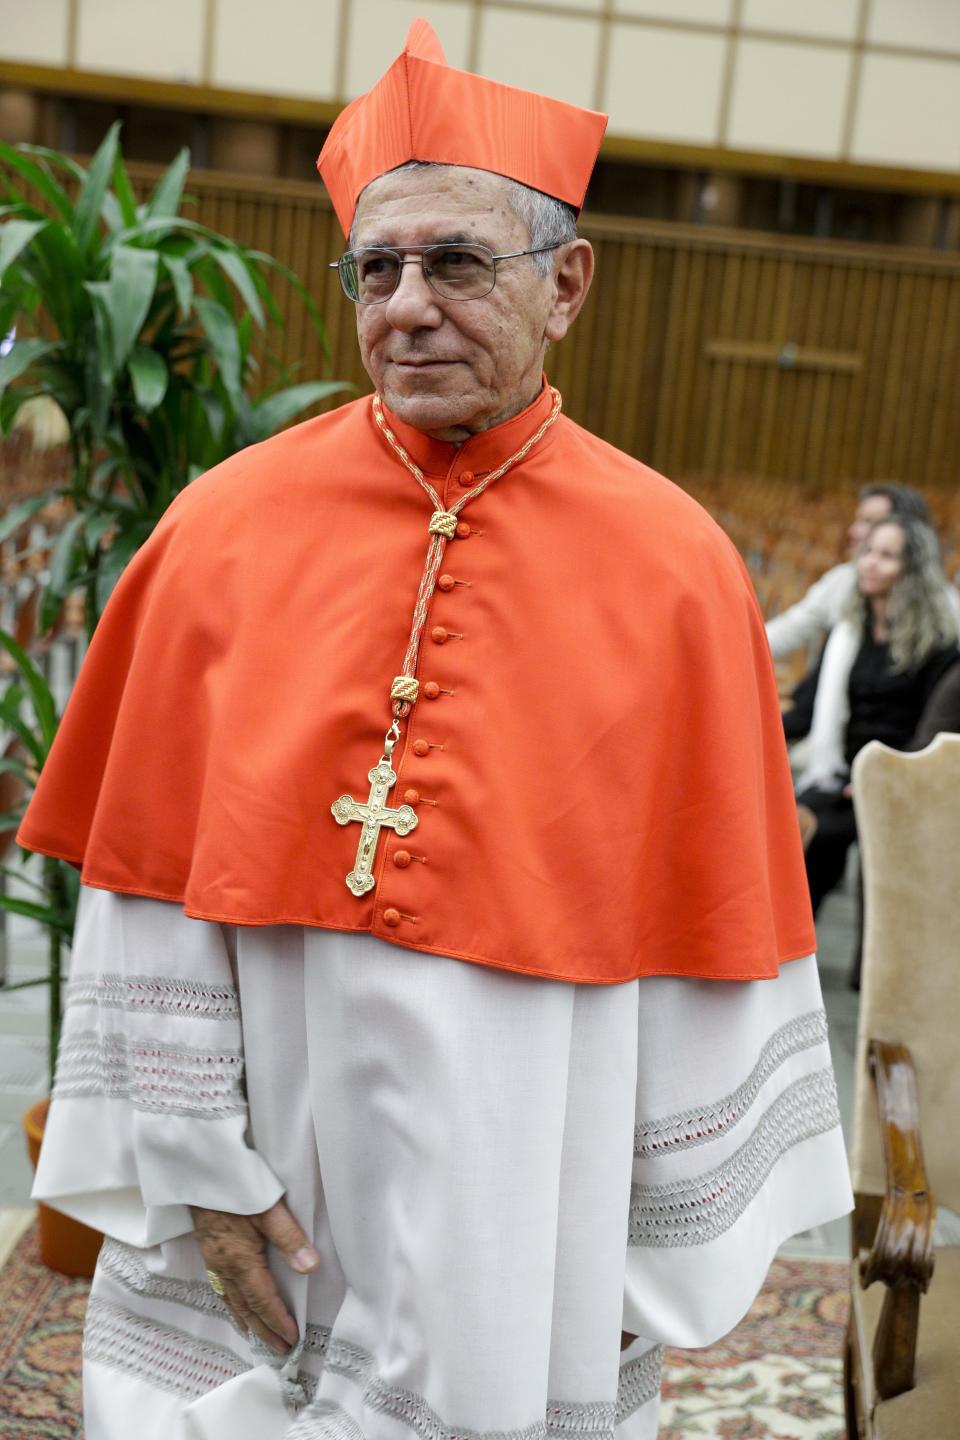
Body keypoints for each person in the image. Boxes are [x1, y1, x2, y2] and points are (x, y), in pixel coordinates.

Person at [19, 22, 852, 1440]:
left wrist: (642, 1210)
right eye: (378, 267)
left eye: (458, 262)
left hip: (529, 1156)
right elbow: (142, 870)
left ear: (567, 285)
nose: (407, 305)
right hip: (260, 1133)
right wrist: (191, 1155)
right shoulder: (219, 529)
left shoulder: (677, 567)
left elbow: (714, 915)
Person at [795, 514, 958, 926]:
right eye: (868, 552)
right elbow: (806, 705)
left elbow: (933, 732)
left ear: (913, 571)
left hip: (900, 775)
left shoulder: (939, 644)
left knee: (837, 833)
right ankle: (790, 952)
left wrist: (877, 775)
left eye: (886, 556)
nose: (869, 563)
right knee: (791, 827)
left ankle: (867, 974)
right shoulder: (849, 632)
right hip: (839, 773)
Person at [766, 482, 940, 661]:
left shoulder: (943, 610)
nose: (853, 531)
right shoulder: (843, 579)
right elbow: (789, 629)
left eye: (868, 522)